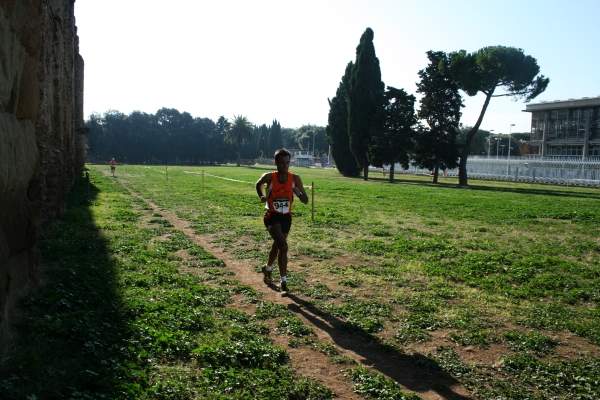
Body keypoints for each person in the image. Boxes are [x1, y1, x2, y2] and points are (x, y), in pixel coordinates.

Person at [255, 149, 309, 296]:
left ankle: (267, 268)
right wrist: (261, 196)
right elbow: (258, 184)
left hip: (286, 218)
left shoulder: (295, 179)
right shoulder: (269, 177)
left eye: (287, 163)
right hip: (272, 216)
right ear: (276, 163)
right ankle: (283, 282)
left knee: (277, 247)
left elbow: (306, 200)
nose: (285, 166)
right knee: (283, 247)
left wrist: (299, 193)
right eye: (282, 163)